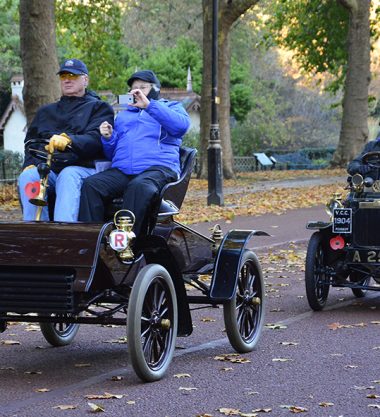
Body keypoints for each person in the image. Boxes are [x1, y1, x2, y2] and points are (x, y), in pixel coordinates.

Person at [79, 69, 191, 236]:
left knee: (139, 186)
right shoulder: (123, 116)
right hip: (124, 171)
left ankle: (127, 244)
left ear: (155, 89)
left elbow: (181, 127)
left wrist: (149, 106)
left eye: (142, 87)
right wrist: (109, 138)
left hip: (158, 169)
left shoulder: (170, 107)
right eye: (133, 89)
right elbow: (112, 154)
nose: (136, 92)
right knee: (91, 185)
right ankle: (94, 240)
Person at [18, 58, 114, 221]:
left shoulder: (99, 108)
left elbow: (96, 140)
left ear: (85, 80)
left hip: (84, 169)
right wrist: (29, 165)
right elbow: (30, 143)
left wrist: (71, 140)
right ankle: (35, 233)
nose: (67, 79)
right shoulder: (45, 112)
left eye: (73, 75)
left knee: (68, 175)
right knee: (28, 177)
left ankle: (63, 235)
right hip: (51, 169)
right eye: (63, 76)